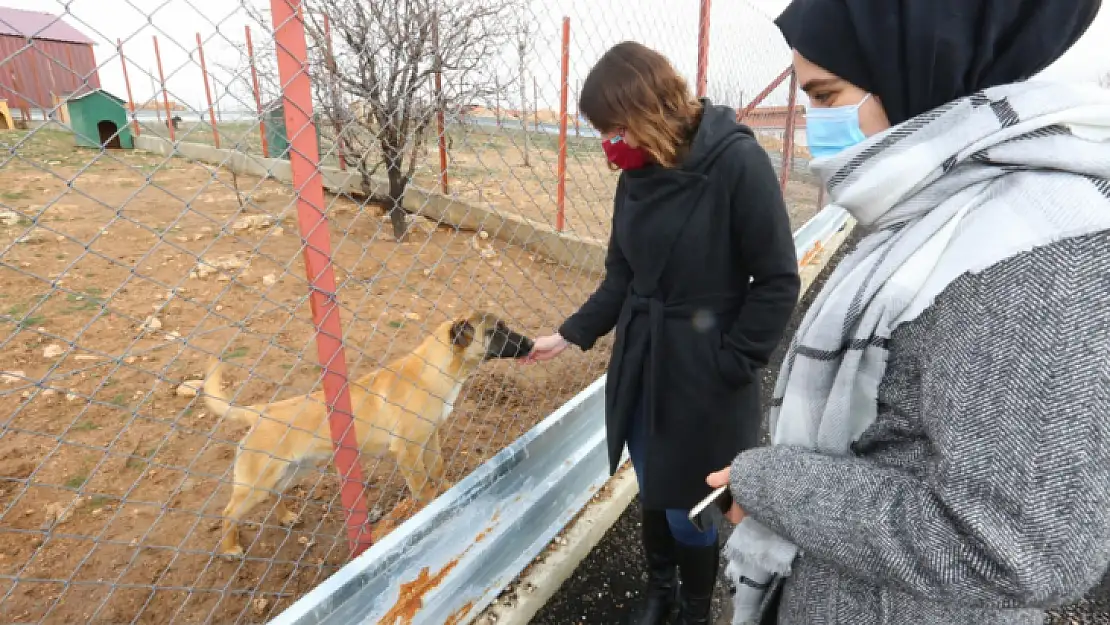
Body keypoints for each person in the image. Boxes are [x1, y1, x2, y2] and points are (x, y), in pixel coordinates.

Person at [703, 1, 1110, 624]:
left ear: (917, 65)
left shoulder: (1029, 241)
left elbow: (1018, 545)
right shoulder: (943, 208)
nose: (816, 123)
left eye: (826, 93)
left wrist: (771, 485)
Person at [525, 42, 801, 624]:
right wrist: (571, 335)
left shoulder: (735, 163)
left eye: (616, 128)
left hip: (706, 369)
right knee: (652, 480)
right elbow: (621, 277)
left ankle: (697, 606)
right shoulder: (638, 172)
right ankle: (661, 590)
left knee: (694, 500)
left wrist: (732, 361)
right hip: (645, 358)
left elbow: (776, 280)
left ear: (648, 111)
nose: (609, 145)